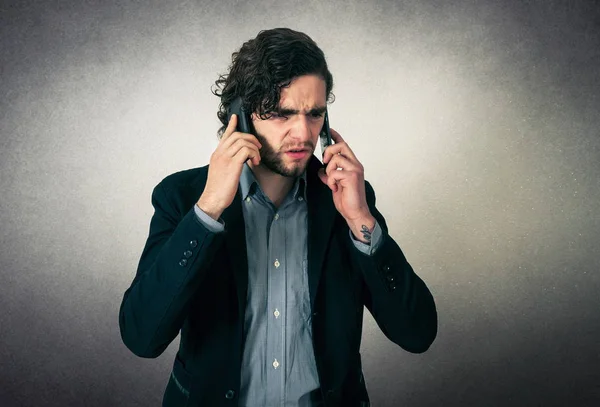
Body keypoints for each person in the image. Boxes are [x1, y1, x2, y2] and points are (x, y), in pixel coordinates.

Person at [118, 27, 437, 407]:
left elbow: (417, 334)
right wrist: (207, 212)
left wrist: (361, 221)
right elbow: (141, 336)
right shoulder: (182, 197)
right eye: (282, 114)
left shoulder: (348, 202)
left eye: (315, 114)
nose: (303, 133)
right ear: (242, 115)